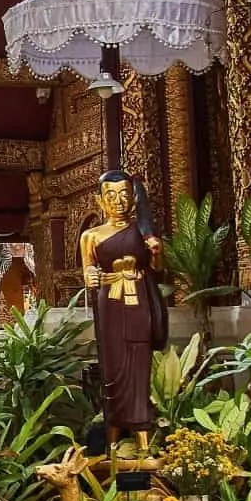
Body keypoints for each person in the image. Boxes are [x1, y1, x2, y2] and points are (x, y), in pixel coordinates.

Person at [77, 170, 168, 456]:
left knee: (139, 366)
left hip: (138, 300)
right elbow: (88, 272)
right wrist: (91, 276)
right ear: (100, 201)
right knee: (112, 367)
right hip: (110, 305)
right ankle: (113, 436)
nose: (118, 201)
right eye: (111, 195)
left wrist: (156, 251)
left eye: (125, 195)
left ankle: (142, 437)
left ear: (133, 198)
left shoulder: (142, 233)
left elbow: (159, 271)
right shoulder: (91, 237)